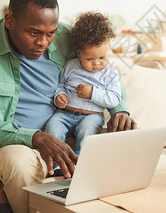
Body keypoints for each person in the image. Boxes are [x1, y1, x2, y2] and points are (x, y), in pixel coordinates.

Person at [0, 0, 137, 213]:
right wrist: (37, 138)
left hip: (63, 138)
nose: (43, 42)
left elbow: (102, 73)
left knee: (126, 146)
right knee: (19, 161)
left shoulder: (65, 37)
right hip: (8, 147)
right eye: (34, 33)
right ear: (10, 21)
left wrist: (120, 109)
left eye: (50, 33)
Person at [45, 12, 121, 157]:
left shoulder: (110, 73)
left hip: (91, 116)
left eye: (102, 57)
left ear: (109, 48)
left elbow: (114, 99)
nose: (97, 63)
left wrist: (92, 93)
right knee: (53, 127)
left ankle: (81, 162)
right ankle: (56, 163)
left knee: (87, 131)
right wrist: (59, 95)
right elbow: (61, 84)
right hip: (65, 113)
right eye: (89, 58)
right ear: (79, 53)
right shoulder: (71, 66)